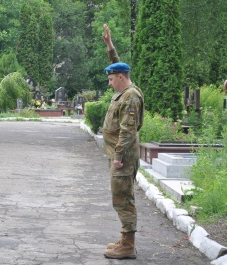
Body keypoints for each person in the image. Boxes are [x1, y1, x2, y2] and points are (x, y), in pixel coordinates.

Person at [101, 24, 144, 259]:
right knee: (120, 196)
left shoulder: (130, 97)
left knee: (123, 199)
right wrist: (110, 46)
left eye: (110, 80)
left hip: (124, 157)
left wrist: (117, 156)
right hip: (120, 156)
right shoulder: (125, 88)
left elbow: (127, 131)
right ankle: (125, 239)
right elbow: (117, 65)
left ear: (120, 78)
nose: (109, 84)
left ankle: (128, 245)